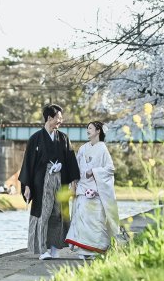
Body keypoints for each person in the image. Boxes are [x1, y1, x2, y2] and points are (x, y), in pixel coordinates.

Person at [19, 103, 80, 259]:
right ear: (49, 118)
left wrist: (73, 180)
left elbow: (71, 159)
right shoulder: (35, 139)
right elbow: (28, 163)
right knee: (43, 213)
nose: (61, 121)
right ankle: (42, 250)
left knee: (58, 214)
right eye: (58, 118)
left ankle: (54, 250)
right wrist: (27, 185)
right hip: (42, 181)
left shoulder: (63, 138)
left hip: (60, 179)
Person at [64, 121, 124, 258]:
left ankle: (96, 249)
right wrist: (74, 183)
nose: (87, 130)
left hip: (96, 189)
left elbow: (110, 169)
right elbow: (76, 168)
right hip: (83, 186)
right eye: (87, 128)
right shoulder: (83, 148)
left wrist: (94, 171)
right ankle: (83, 250)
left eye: (90, 128)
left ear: (98, 131)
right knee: (81, 217)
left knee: (96, 220)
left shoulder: (103, 149)